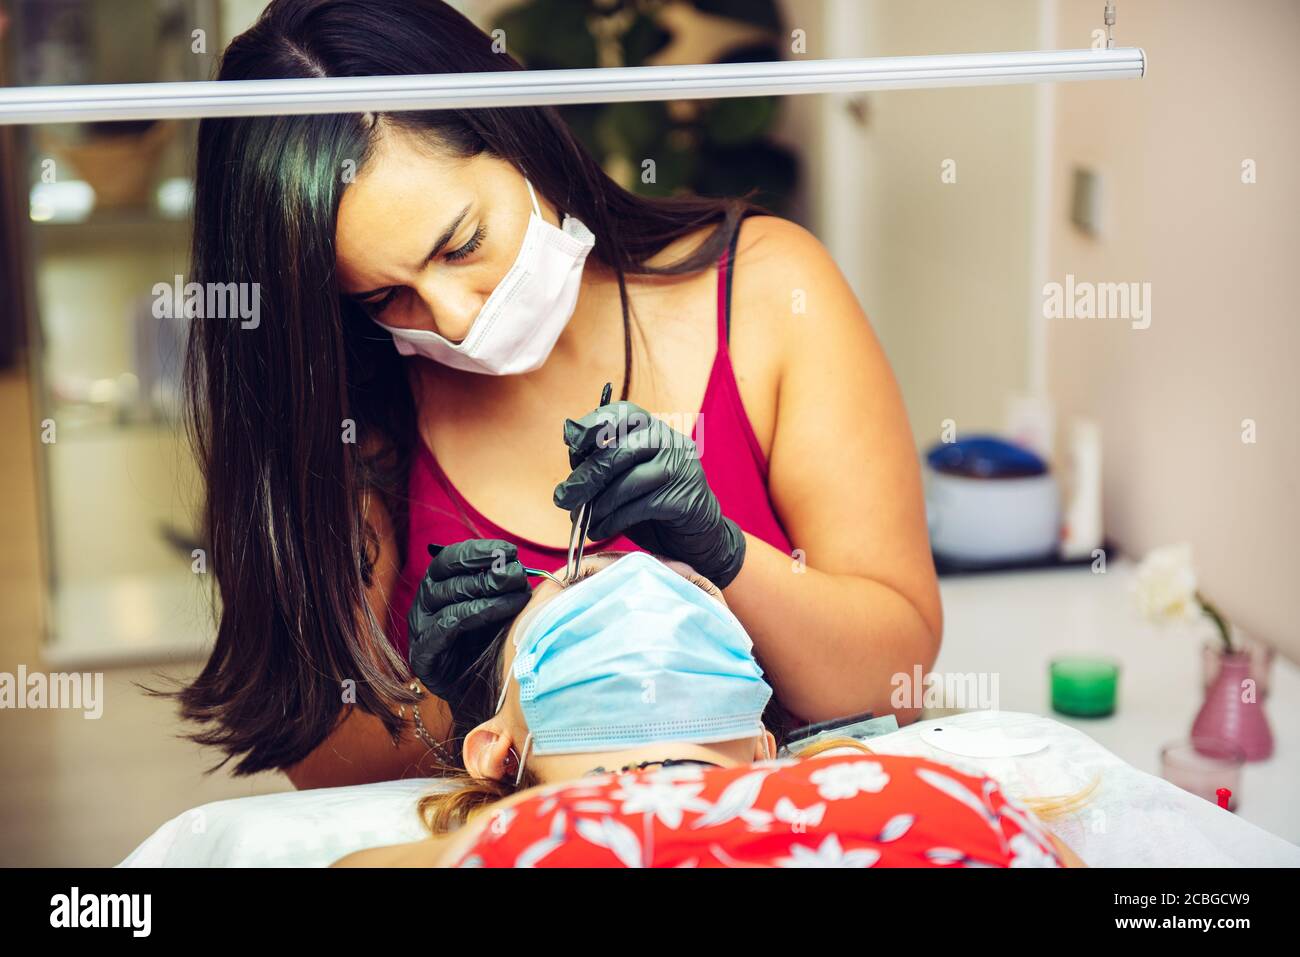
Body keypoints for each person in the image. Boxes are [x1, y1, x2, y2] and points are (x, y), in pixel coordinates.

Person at [171, 0, 942, 788]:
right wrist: (453, 697)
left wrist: (731, 558)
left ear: (516, 131)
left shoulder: (769, 293)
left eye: (462, 244)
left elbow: (894, 685)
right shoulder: (353, 415)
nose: (456, 319)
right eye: (383, 299)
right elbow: (324, 775)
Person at [334, 552, 1085, 867]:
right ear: (496, 749)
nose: (635, 578)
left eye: (684, 585)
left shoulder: (928, 789)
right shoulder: (508, 836)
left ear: (764, 741)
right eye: (575, 582)